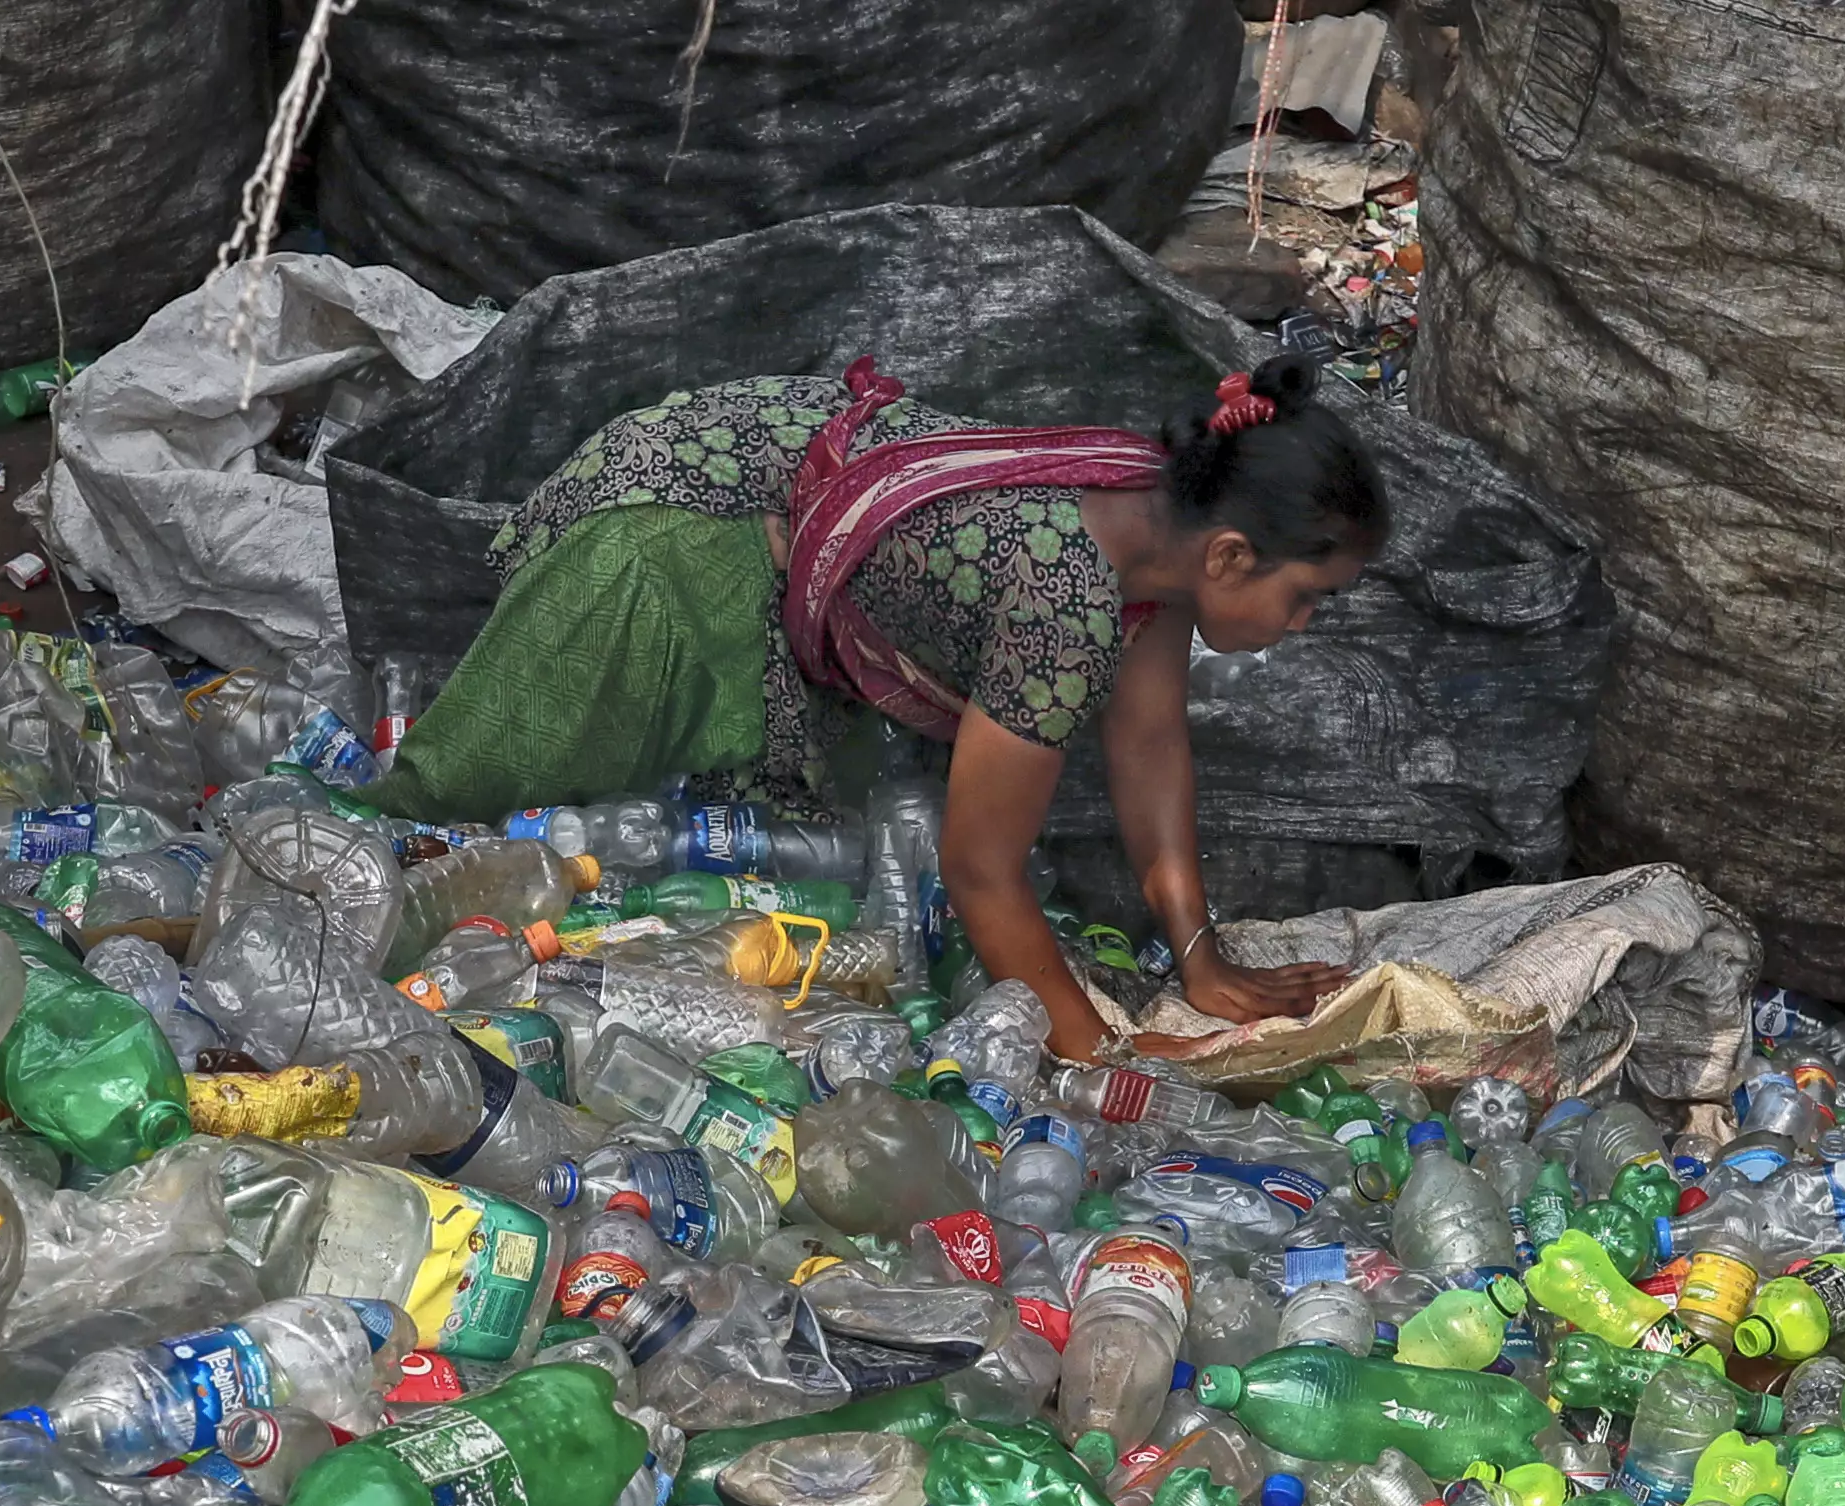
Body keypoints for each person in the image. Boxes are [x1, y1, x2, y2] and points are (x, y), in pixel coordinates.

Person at [361, 354, 1391, 1057]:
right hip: (672, 533)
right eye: (1309, 599)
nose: (1303, 627)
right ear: (1230, 555)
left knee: (730, 874)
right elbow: (980, 871)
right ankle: (351, 927)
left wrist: (1198, 957)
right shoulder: (1064, 601)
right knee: (465, 827)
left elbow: (1152, 744)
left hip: (785, 553)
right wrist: (1098, 1060)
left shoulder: (1152, 524)